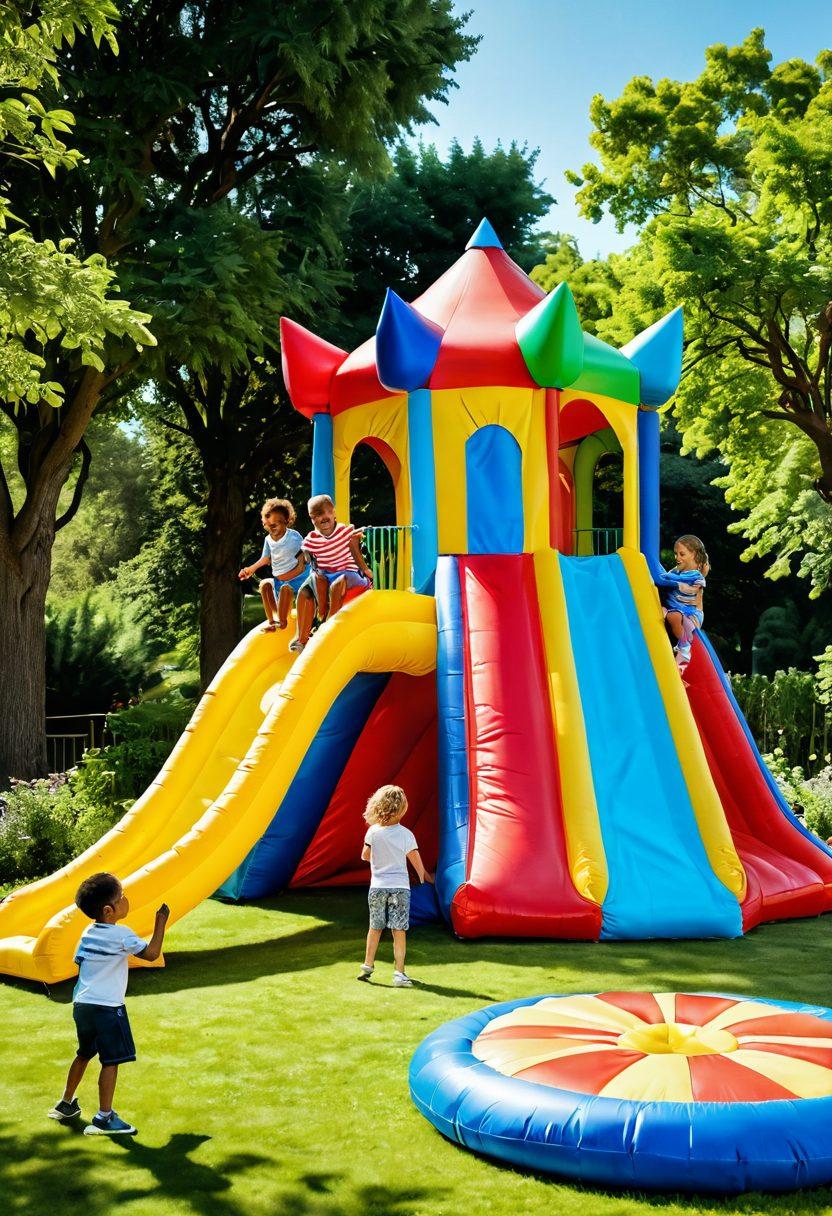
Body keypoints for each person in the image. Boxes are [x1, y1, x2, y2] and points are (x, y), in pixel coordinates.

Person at [48, 873, 169, 1136]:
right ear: (109, 910)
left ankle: (65, 1103)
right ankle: (104, 1117)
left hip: (82, 1005)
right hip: (107, 1008)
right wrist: (160, 922)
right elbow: (151, 954)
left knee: (84, 1052)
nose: (126, 900)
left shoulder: (87, 932)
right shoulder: (122, 935)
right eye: (121, 897)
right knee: (111, 1060)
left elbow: (80, 963)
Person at [357, 785, 433, 988]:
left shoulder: (373, 832)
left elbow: (365, 855)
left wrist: (378, 856)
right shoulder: (406, 834)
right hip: (399, 888)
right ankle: (399, 973)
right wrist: (422, 877)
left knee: (375, 927)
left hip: (377, 887)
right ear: (402, 810)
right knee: (398, 930)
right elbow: (415, 859)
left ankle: (367, 965)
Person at [292, 494, 373, 654]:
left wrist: (364, 533)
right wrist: (306, 556)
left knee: (338, 583)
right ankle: (301, 638)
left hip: (349, 575)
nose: (324, 517)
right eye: (318, 514)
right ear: (312, 519)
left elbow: (357, 539)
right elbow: (306, 554)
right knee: (303, 592)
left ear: (334, 513)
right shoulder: (311, 540)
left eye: (328, 512)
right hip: (325, 576)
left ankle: (327, 628)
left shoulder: (345, 531)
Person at [238, 498, 307, 632]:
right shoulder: (268, 540)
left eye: (274, 526)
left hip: (297, 578)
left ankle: (282, 622)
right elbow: (265, 558)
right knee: (264, 585)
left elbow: (305, 553)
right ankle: (272, 621)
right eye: (267, 525)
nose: (271, 529)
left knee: (285, 589)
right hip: (279, 579)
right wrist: (250, 569)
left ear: (286, 521)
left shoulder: (294, 537)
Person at [663, 534, 710, 670]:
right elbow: (664, 577)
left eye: (682, 554)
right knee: (665, 612)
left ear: (694, 555)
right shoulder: (676, 572)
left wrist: (676, 584)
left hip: (691, 614)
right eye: (676, 554)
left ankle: (683, 645)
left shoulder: (696, 576)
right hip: (676, 611)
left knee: (675, 616)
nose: (677, 558)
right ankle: (680, 642)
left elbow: (692, 591)